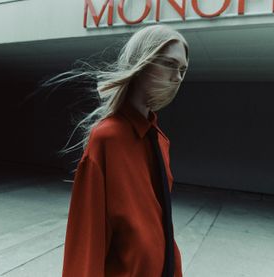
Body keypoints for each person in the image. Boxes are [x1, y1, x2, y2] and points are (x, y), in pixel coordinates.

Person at [43, 24, 189, 276]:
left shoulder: (160, 142)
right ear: (142, 62)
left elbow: (159, 224)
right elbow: (87, 241)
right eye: (169, 64)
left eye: (183, 69)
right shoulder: (107, 139)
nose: (177, 77)